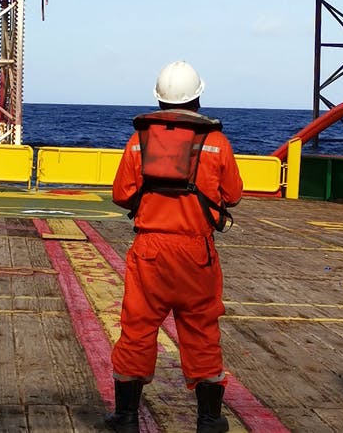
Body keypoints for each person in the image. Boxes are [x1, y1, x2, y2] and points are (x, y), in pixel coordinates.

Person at [104, 61, 243, 433]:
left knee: (137, 328)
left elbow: (121, 195)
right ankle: (210, 420)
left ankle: (127, 417)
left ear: (159, 99)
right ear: (198, 96)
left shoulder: (140, 141)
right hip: (196, 253)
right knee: (201, 330)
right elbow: (233, 194)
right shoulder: (215, 142)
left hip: (150, 251)